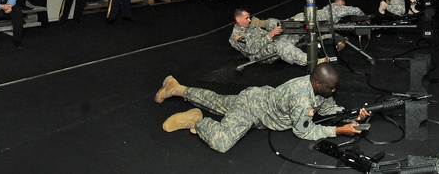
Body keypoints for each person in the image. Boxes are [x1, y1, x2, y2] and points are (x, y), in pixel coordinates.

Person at [153, 63, 370, 153]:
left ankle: (178, 89)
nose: (334, 91)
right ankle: (196, 120)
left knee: (218, 101)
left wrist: (352, 116)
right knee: (222, 142)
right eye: (331, 88)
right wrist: (338, 131)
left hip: (256, 96)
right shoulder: (301, 98)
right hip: (252, 109)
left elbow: (329, 107)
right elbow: (304, 131)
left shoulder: (318, 89)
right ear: (318, 84)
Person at [230, 8, 309, 66]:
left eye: (249, 17)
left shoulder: (249, 25)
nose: (249, 20)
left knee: (292, 25)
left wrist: (276, 32)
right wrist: (270, 35)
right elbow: (252, 50)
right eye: (246, 18)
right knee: (280, 46)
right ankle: (310, 61)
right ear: (238, 19)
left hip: (270, 41)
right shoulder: (237, 36)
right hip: (260, 53)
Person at [287, 0, 366, 23]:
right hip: (303, 20)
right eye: (343, 5)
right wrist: (364, 18)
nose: (344, 7)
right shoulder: (337, 8)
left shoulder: (329, 7)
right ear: (340, 4)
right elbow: (356, 10)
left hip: (302, 17)